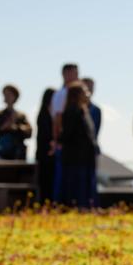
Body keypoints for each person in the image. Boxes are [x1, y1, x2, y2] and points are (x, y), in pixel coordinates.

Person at [58, 81, 98, 209]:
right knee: (76, 188)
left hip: (85, 157)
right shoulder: (72, 112)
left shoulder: (83, 111)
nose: (87, 94)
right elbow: (67, 135)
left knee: (85, 187)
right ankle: (77, 208)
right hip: (76, 158)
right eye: (84, 92)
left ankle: (85, 207)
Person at [50, 63, 81, 202]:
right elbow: (57, 120)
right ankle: (61, 204)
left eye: (76, 73)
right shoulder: (61, 94)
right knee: (63, 177)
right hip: (65, 143)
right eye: (72, 73)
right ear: (64, 74)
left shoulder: (77, 94)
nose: (75, 77)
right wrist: (58, 141)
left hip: (76, 143)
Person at [0, 84, 32, 160]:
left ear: (15, 97)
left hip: (17, 153)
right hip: (2, 152)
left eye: (9, 94)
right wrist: (3, 127)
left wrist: (16, 128)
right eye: (5, 94)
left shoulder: (21, 116)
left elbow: (29, 132)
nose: (6, 97)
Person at [82, 77, 103, 207]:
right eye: (87, 87)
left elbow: (96, 131)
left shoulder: (96, 109)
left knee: (92, 179)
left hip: (92, 150)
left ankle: (92, 204)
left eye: (92, 87)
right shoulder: (75, 109)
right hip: (78, 151)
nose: (90, 90)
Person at [34, 88, 55, 204]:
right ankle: (44, 202)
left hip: (48, 154)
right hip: (45, 154)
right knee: (44, 181)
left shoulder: (52, 113)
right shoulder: (44, 114)